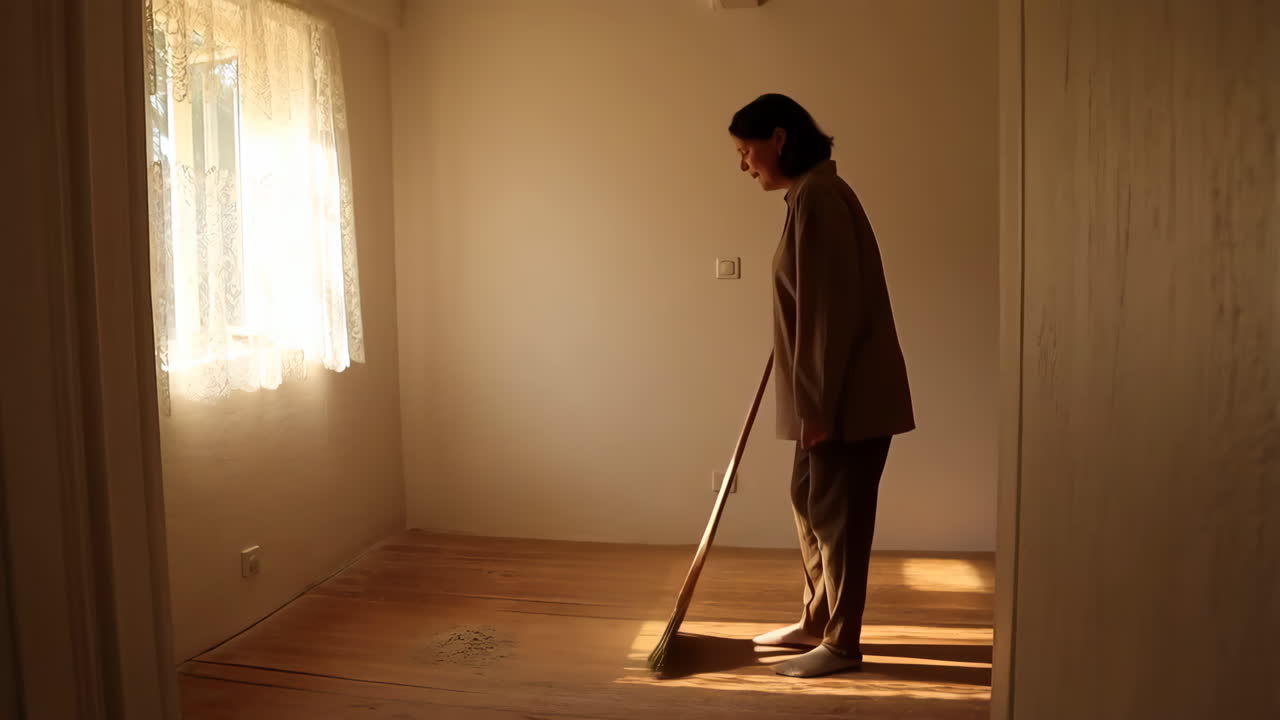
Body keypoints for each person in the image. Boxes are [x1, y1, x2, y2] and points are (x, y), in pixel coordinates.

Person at [729, 94, 915, 678]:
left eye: (746, 150)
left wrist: (818, 405)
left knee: (839, 520)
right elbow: (810, 300)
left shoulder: (820, 197)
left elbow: (830, 314)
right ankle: (816, 621)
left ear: (778, 139)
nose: (744, 164)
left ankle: (841, 643)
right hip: (825, 395)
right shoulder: (805, 196)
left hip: (845, 401)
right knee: (808, 503)